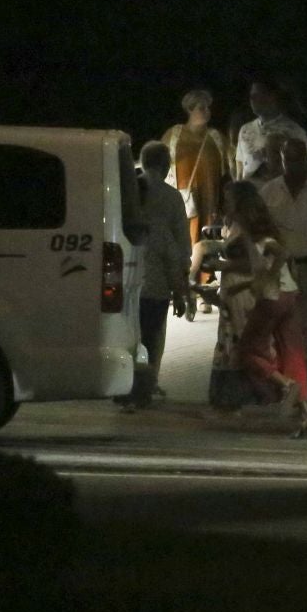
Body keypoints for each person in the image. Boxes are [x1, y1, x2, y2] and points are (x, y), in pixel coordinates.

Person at [220, 179, 307, 436]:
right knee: (292, 353)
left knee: (247, 351)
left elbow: (280, 254)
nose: (225, 204)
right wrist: (242, 287)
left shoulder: (256, 233)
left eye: (229, 200)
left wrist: (270, 275)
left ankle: (284, 385)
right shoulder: (260, 227)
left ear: (241, 205)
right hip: (289, 296)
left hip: (273, 299)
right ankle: (304, 416)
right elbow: (264, 267)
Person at [117, 142, 192, 411]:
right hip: (155, 287)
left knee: (127, 337)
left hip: (124, 287)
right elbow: (180, 246)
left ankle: (124, 386)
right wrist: (182, 287)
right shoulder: (171, 199)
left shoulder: (128, 192)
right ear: (166, 163)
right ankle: (145, 387)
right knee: (151, 339)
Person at [260, 135, 307, 363]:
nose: (293, 165)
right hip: (280, 270)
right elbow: (260, 231)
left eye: (298, 159)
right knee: (280, 327)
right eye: (288, 160)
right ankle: (285, 378)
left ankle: (303, 381)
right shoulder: (269, 192)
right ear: (282, 160)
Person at [160, 87, 231, 248]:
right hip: (183, 204)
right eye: (201, 107)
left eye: (208, 107)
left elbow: (229, 171)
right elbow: (160, 167)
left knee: (207, 247)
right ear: (190, 110)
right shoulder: (174, 135)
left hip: (210, 204)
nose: (207, 111)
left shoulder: (216, 138)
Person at [234, 77, 307, 181]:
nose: (252, 99)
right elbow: (240, 166)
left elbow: (302, 167)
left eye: (256, 95)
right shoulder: (245, 129)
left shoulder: (293, 130)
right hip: (251, 194)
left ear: (271, 97)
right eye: (251, 96)